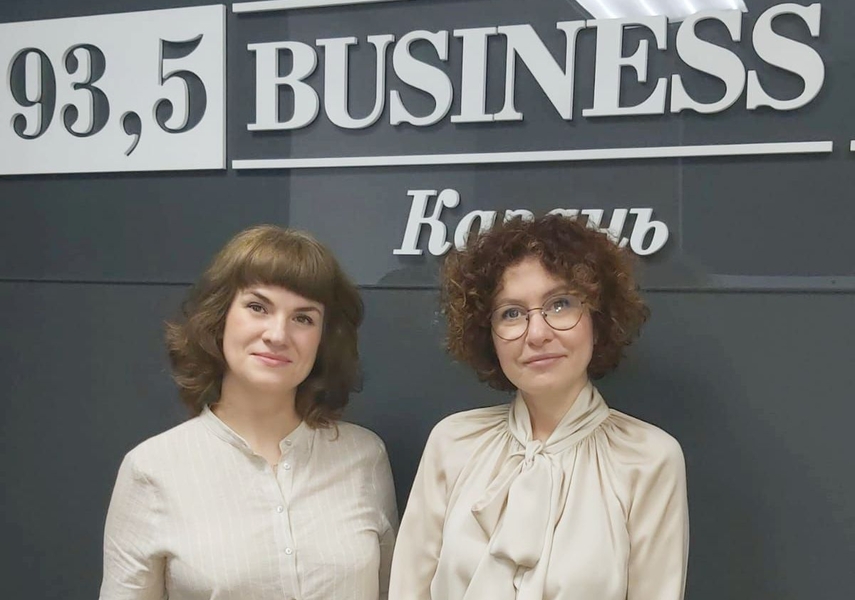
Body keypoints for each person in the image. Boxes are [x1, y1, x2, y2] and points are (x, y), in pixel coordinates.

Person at [389, 214, 689, 600]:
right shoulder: (452, 443)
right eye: (511, 313)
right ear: (487, 334)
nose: (537, 333)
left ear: (597, 318)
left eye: (560, 304)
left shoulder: (649, 459)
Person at [100, 225, 397, 600]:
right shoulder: (152, 470)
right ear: (220, 316)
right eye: (258, 307)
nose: (277, 334)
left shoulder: (364, 456)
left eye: (303, 318)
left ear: (324, 339)